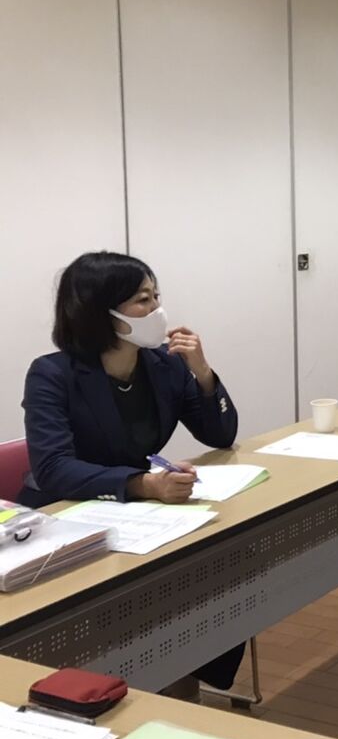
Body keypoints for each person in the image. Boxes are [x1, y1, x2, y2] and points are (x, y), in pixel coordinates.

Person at [21, 251, 245, 693]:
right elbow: (52, 469)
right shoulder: (52, 374)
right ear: (99, 311)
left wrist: (203, 373)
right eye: (143, 299)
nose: (158, 309)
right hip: (66, 515)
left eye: (156, 296)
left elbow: (220, 434)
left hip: (138, 514)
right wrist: (143, 484)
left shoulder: (164, 364)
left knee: (220, 561)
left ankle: (187, 675)